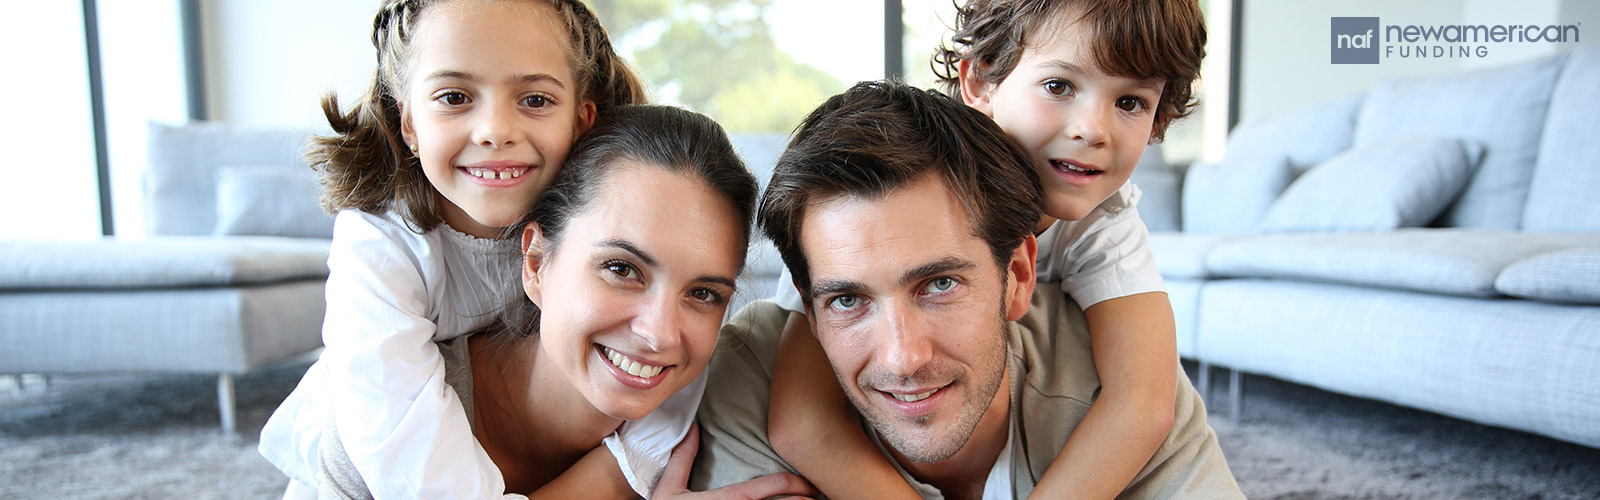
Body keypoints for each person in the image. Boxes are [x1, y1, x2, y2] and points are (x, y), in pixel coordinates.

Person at [691, 81, 1242, 499]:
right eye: (848, 300)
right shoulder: (745, 380)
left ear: (1019, 277)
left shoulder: (1119, 382)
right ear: (809, 311)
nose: (903, 357)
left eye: (940, 284)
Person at [763, 1, 1207, 497]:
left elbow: (1143, 404)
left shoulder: (1107, 220)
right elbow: (800, 417)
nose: (1093, 130)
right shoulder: (862, 212)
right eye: (1059, 86)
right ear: (978, 83)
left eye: (1130, 102)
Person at [256, 0, 673, 497]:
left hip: (516, 446)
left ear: (581, 122)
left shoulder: (600, 219)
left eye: (535, 100)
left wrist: (623, 469)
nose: (496, 130)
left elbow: (672, 362)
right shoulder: (381, 238)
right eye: (454, 96)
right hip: (374, 453)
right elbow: (400, 441)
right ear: (409, 123)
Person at [314, 104, 816, 499]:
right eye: (621, 269)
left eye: (703, 294)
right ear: (535, 263)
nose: (661, 334)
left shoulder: (704, 433)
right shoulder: (382, 435)